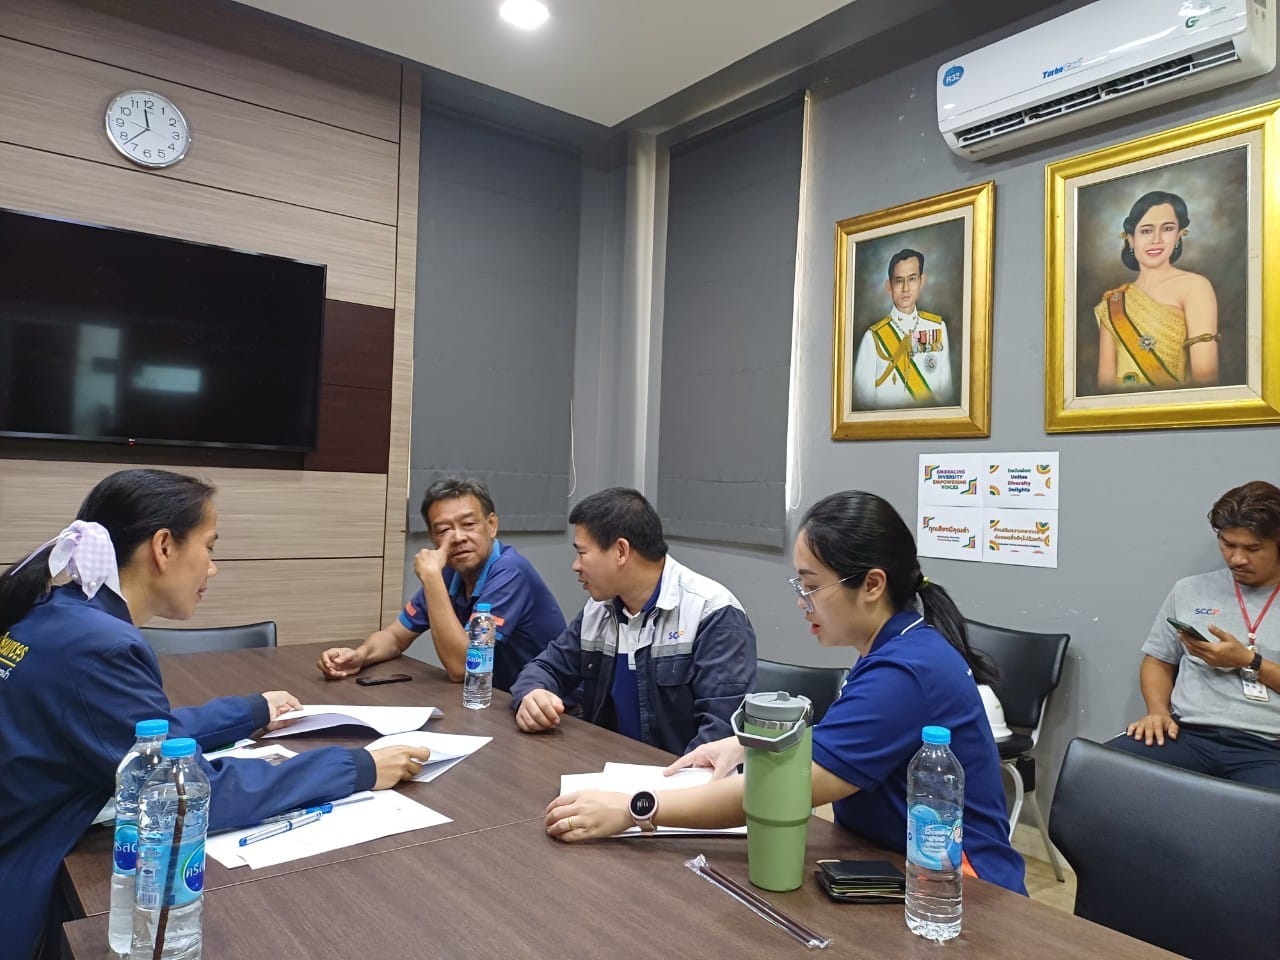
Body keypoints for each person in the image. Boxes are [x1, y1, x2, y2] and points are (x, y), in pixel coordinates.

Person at [0, 469, 424, 960]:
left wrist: (249, 711)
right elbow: (196, 797)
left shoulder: (58, 614)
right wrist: (357, 766)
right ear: (164, 547)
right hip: (24, 890)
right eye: (209, 546)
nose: (213, 568)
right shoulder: (102, 648)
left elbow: (133, 734)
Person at [542, 490, 1026, 895]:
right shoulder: (897, 647)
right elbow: (838, 743)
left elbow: (781, 791)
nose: (801, 602)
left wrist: (636, 807)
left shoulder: (907, 671)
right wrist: (745, 744)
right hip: (889, 865)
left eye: (810, 585)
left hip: (959, 890)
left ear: (872, 584)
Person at [510, 488, 756, 754]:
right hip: (605, 763)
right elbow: (546, 667)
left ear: (621, 551)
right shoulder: (599, 608)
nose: (575, 566)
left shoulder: (712, 612)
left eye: (582, 553)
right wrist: (532, 694)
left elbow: (721, 733)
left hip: (678, 774)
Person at [317, 478, 566, 691]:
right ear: (433, 537)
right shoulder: (448, 572)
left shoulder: (510, 571)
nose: (457, 538)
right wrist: (360, 656)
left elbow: (463, 667)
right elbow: (394, 637)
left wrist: (431, 578)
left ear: (491, 526)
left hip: (552, 708)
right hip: (492, 699)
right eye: (444, 530)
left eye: (468, 525)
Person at [1110, 481, 1280, 787]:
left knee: (1263, 812)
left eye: (1253, 549)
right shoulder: (1190, 590)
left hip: (1268, 747)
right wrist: (1157, 711)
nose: (1237, 559)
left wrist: (1248, 661)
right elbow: (1158, 660)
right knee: (1098, 773)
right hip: (1187, 734)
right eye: (1228, 544)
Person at [1094, 190, 1219, 392]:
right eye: (1146, 231)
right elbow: (1105, 384)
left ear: (1179, 235)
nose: (1156, 240)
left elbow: (1205, 377)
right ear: (1131, 239)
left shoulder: (1195, 287)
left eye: (1167, 229)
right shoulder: (1113, 301)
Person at [852, 248, 954, 409]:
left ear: (922, 281)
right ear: (889, 286)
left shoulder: (937, 328)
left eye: (912, 279)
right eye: (899, 281)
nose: (906, 288)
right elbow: (863, 403)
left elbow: (946, 395)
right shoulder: (872, 338)